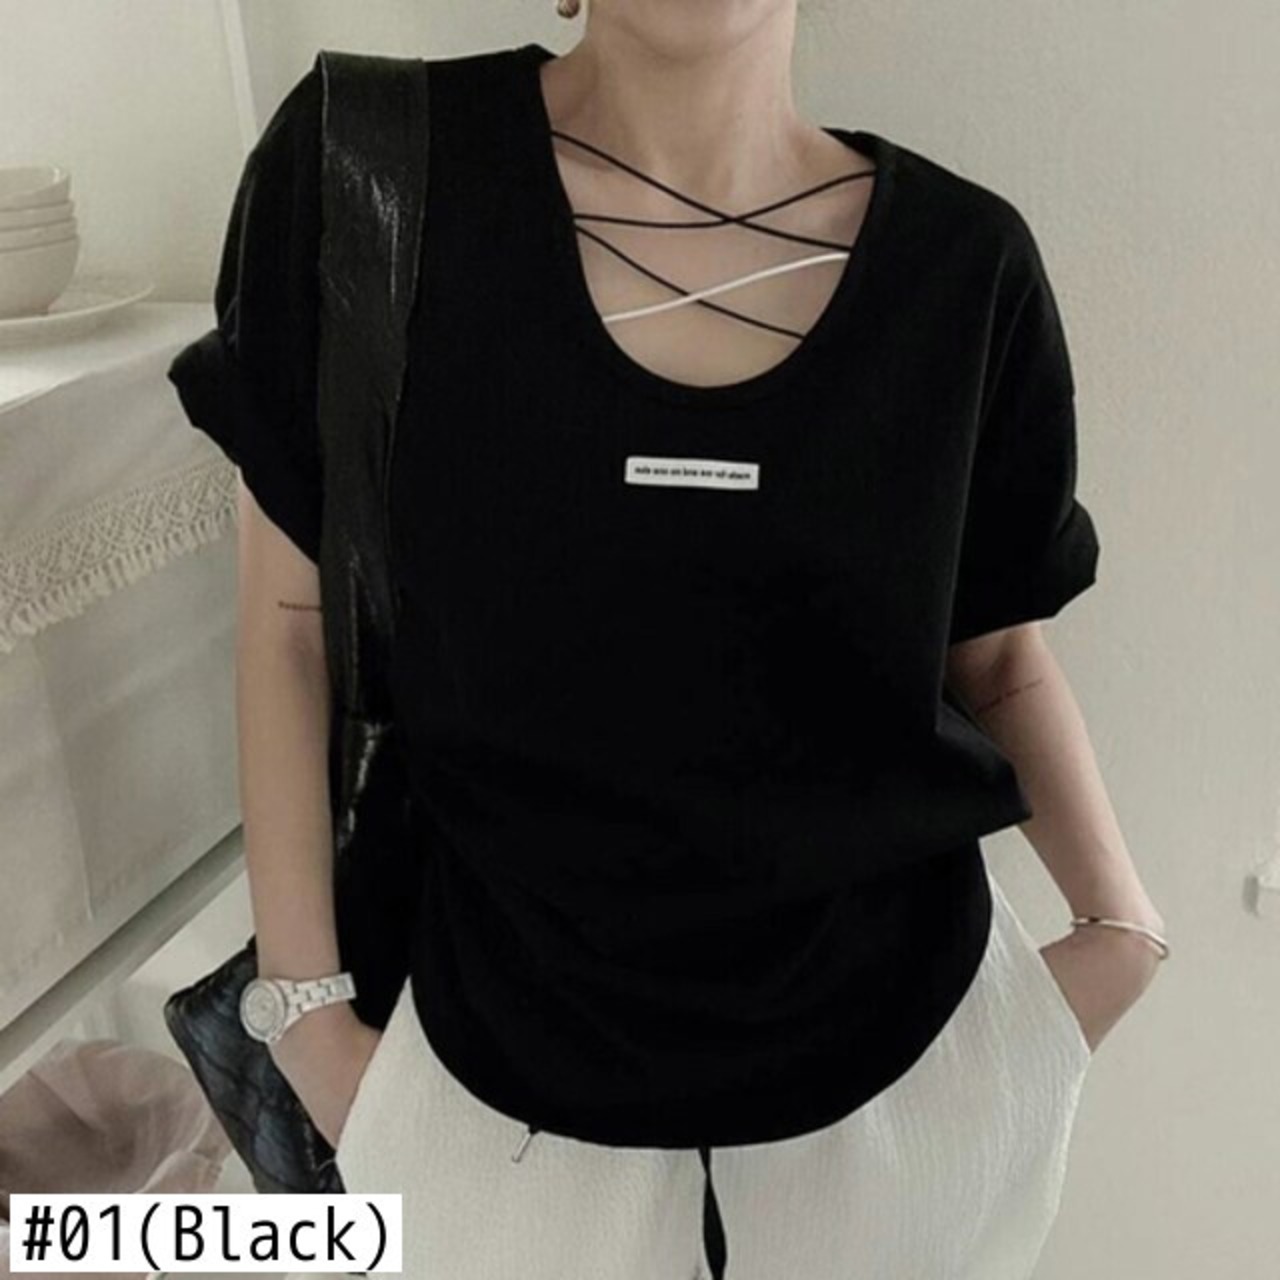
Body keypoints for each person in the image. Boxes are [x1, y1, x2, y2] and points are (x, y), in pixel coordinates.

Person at [168, 2, 1169, 1277]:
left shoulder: (961, 268)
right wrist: (307, 1020)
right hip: (480, 1091)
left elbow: (997, 654)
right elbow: (289, 624)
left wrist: (1117, 925)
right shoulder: (367, 171)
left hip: (903, 1092)